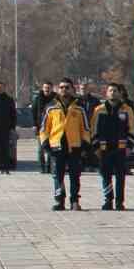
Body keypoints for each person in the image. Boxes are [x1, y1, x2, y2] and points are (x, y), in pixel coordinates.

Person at [38, 78, 90, 211]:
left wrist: (85, 144)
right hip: (56, 146)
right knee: (57, 175)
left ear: (72, 89)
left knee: (75, 175)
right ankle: (59, 201)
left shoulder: (79, 107)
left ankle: (74, 201)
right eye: (61, 87)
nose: (64, 90)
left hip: (74, 146)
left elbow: (85, 129)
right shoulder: (51, 107)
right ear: (57, 89)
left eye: (67, 87)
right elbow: (44, 128)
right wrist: (45, 144)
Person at [91, 84, 134, 210]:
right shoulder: (99, 110)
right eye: (110, 90)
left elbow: (132, 129)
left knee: (120, 176)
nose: (113, 93)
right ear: (106, 93)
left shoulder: (127, 109)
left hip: (120, 148)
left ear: (119, 93)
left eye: (115, 91)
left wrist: (129, 146)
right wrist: (96, 147)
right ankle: (108, 200)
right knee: (105, 175)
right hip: (104, 148)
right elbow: (94, 130)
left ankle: (119, 202)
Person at [31, 82, 54, 172]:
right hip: (41, 126)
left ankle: (49, 166)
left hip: (52, 127)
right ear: (42, 88)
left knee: (51, 147)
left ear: (51, 88)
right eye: (45, 87)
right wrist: (34, 124)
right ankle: (41, 166)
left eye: (48, 87)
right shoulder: (38, 99)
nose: (47, 89)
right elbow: (33, 112)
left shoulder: (55, 99)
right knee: (41, 148)